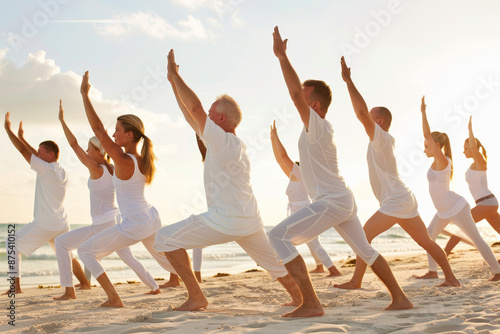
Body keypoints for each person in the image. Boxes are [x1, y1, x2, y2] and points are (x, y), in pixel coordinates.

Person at [267, 26, 412, 318]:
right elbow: (298, 102)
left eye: (306, 101)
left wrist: (282, 58)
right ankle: (400, 298)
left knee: (277, 236)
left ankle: (310, 303)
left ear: (315, 104)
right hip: (342, 200)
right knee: (366, 252)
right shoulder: (320, 129)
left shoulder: (318, 125)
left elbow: (296, 94)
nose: (300, 104)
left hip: (332, 201)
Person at [154, 49, 301, 312]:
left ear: (221, 118)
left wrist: (176, 75)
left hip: (224, 219)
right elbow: (192, 114)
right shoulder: (234, 144)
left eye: (211, 114)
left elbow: (196, 108)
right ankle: (301, 298)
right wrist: (172, 83)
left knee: (165, 238)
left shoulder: (221, 141)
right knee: (274, 265)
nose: (206, 117)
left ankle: (196, 296)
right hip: (250, 220)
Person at [333, 58, 460, 290]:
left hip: (396, 200)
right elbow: (364, 114)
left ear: (379, 121)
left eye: (371, 118)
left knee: (363, 237)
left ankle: (356, 281)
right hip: (402, 197)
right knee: (426, 242)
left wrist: (348, 81)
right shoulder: (380, 141)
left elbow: (361, 112)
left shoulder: (381, 138)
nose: (365, 121)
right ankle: (451, 279)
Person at [77, 71, 177, 307]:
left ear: (129, 134)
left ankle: (114, 298)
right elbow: (103, 133)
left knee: (85, 251)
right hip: (150, 217)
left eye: (118, 130)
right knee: (165, 261)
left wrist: (84, 95)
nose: (113, 134)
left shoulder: (123, 160)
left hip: (135, 223)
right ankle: (195, 287)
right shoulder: (142, 159)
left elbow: (99, 130)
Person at [54, 100, 161, 300]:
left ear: (99, 151)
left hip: (104, 223)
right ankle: (154, 287)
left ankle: (71, 290)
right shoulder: (114, 169)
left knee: (63, 242)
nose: (86, 152)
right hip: (119, 220)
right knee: (129, 258)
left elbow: (74, 144)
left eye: (89, 149)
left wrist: (62, 120)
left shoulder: (97, 169)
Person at [416, 97, 500, 281]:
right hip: (443, 210)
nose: (425, 149)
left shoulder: (443, 160)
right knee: (428, 236)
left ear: (437, 146)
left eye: (427, 146)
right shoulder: (437, 163)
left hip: (456, 207)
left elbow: (427, 136)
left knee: (476, 239)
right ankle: (432, 271)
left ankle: (497, 271)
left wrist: (423, 112)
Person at [4, 112, 69, 294]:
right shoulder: (61, 171)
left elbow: (24, 152)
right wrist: (23, 138)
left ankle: (15, 288)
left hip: (45, 223)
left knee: (11, 244)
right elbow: (33, 154)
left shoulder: (46, 170)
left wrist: (9, 131)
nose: (37, 154)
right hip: (60, 223)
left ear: (51, 154)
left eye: (41, 152)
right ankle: (84, 283)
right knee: (65, 254)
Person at [270, 120, 341, 277]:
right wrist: (272, 140)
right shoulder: (295, 177)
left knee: (311, 242)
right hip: (299, 209)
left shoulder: (301, 173)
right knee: (312, 242)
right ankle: (320, 266)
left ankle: (333, 270)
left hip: (303, 209)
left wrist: (275, 137)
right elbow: (279, 159)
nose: (290, 168)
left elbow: (283, 156)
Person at [444, 116, 500, 260]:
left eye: (466, 148)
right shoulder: (473, 166)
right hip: (484, 204)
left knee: (462, 224)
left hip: (487, 203)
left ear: (473, 148)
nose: (464, 151)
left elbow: (475, 148)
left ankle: (444, 253)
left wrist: (469, 129)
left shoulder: (480, 162)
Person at [161, 135, 205, 287]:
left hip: (221, 213)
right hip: (210, 210)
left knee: (175, 238)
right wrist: (197, 129)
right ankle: (180, 278)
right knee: (176, 238)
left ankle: (180, 278)